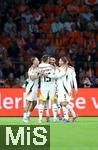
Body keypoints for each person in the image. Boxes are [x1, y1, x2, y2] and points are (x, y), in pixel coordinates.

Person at [23, 57, 43, 123]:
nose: (38, 60)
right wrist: (39, 75)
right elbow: (32, 78)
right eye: (37, 60)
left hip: (35, 88)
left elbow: (41, 72)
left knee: (34, 103)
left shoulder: (38, 68)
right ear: (34, 61)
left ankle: (28, 115)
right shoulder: (31, 69)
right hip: (30, 88)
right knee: (28, 102)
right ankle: (24, 117)